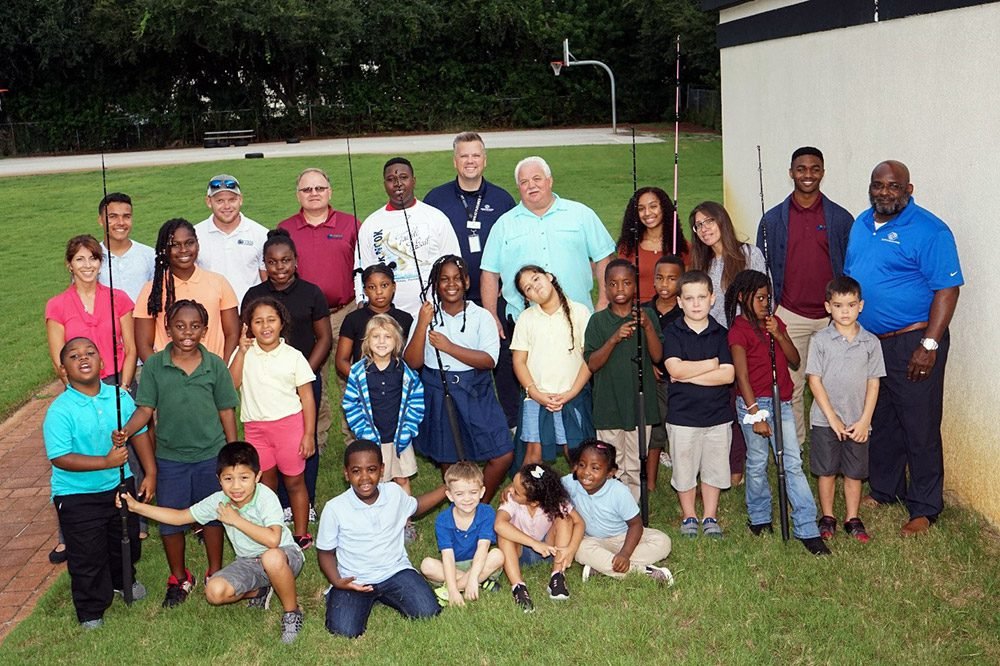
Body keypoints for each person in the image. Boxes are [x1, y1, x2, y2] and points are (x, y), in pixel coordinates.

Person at [844, 160, 963, 537]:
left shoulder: (930, 230)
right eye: (877, 185)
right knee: (882, 421)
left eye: (893, 186)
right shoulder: (861, 223)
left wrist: (929, 344)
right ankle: (886, 489)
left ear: (908, 190)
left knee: (919, 424)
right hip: (871, 343)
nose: (884, 192)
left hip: (914, 341)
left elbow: (947, 289)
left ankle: (925, 507)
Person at [113, 299, 240, 607]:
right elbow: (146, 409)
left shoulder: (215, 365)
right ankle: (179, 576)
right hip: (170, 458)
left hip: (211, 453)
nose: (187, 332)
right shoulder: (155, 365)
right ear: (167, 329)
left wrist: (233, 453)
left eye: (195, 326)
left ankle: (215, 570)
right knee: (170, 521)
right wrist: (127, 431)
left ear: (205, 330)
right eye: (180, 326)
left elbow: (226, 410)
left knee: (212, 516)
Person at [119, 442, 306, 643]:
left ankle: (292, 612)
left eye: (244, 478)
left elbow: (273, 540)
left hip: (284, 555)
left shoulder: (265, 496)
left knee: (271, 556)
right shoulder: (219, 501)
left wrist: (236, 520)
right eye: (228, 479)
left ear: (257, 477)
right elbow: (180, 517)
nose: (236, 486)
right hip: (248, 561)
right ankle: (261, 591)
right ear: (219, 480)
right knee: (214, 592)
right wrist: (137, 507)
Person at [42, 337, 155, 629]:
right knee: (87, 554)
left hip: (120, 484)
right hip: (77, 494)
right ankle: (91, 609)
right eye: (74, 356)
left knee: (125, 540)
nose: (83, 358)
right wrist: (104, 462)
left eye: (90, 352)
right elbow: (60, 457)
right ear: (63, 369)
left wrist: (151, 471)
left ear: (102, 362)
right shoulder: (60, 410)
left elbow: (139, 431)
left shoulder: (119, 397)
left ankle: (122, 580)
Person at [725, 270, 829, 555]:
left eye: (768, 298)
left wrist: (779, 334)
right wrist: (756, 415)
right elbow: (742, 378)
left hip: (781, 401)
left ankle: (806, 527)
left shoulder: (775, 323)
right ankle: (759, 518)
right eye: (759, 298)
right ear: (744, 298)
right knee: (757, 461)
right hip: (753, 404)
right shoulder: (738, 330)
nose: (765, 304)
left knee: (792, 462)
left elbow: (795, 360)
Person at [757, 147, 854, 443]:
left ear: (823, 172)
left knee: (835, 385)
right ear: (791, 173)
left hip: (832, 318)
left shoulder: (839, 218)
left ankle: (836, 442)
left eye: (814, 168)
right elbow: (764, 267)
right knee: (793, 387)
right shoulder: (773, 220)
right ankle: (795, 446)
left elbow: (849, 266)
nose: (808, 174)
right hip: (790, 314)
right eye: (801, 169)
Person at [424, 132, 520, 428]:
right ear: (455, 160)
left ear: (485, 160)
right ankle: (459, 422)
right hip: (452, 297)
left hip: (495, 296)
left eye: (475, 155)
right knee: (455, 360)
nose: (470, 161)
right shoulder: (436, 199)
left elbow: (513, 247)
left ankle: (509, 422)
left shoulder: (502, 199)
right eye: (464, 156)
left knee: (502, 360)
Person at [403, 255, 514, 503]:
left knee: (502, 454)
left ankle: (480, 502)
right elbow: (412, 362)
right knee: (450, 457)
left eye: (457, 278)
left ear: (466, 281)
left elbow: (489, 360)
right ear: (435, 284)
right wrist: (422, 323)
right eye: (444, 279)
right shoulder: (426, 315)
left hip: (475, 389)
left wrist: (450, 347)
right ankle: (462, 504)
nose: (451, 284)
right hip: (438, 388)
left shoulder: (481, 316)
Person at [242, 229, 331, 522]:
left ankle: (307, 500)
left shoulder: (311, 293)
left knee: (306, 441)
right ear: (264, 264)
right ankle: (279, 506)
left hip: (303, 375)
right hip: (266, 384)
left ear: (295, 261)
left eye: (285, 261)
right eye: (272, 262)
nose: (279, 268)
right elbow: (246, 340)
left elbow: (324, 338)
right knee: (271, 450)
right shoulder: (255, 296)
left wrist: (303, 373)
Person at [316, 440, 447, 639]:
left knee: (427, 612)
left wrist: (447, 489)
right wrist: (338, 581)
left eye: (371, 469)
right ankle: (344, 597)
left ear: (382, 470)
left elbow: (416, 506)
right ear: (346, 474)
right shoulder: (335, 508)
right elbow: (325, 552)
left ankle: (387, 594)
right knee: (343, 631)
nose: (364, 477)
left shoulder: (394, 493)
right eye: (356, 471)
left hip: (395, 571)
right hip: (355, 579)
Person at [480, 155, 616, 331]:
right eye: (524, 182)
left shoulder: (581, 214)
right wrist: (491, 316)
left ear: (549, 181)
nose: (531, 186)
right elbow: (489, 273)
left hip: (578, 319)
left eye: (537, 178)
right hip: (525, 324)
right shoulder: (503, 225)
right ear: (518, 187)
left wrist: (604, 303)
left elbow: (604, 258)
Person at [277, 167, 360, 452]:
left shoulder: (351, 224)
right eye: (307, 189)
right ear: (298, 195)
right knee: (312, 380)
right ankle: (317, 438)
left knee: (349, 377)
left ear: (330, 191)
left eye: (319, 188)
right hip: (304, 318)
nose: (314, 194)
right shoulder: (285, 229)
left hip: (345, 312)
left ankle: (355, 439)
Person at [229, 297, 316, 549]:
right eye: (258, 321)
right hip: (256, 430)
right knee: (266, 485)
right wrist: (242, 351)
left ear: (281, 323)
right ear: (249, 326)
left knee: (294, 481)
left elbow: (307, 397)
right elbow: (231, 384)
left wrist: (308, 433)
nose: (265, 326)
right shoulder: (243, 354)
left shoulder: (293, 356)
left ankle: (301, 533)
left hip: (289, 427)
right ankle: (272, 532)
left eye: (271, 320)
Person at [689, 201, 763, 485]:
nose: (704, 229)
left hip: (744, 339)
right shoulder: (701, 264)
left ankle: (739, 465)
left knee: (744, 400)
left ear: (722, 221)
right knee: (722, 404)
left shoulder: (748, 254)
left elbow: (763, 296)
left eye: (709, 221)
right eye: (698, 225)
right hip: (713, 341)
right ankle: (718, 462)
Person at [806, 276, 885, 543]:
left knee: (854, 472)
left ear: (860, 306)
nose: (845, 311)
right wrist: (832, 418)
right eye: (838, 305)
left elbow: (873, 384)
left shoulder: (871, 343)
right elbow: (814, 380)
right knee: (826, 470)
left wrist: (864, 421)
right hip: (825, 420)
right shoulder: (820, 340)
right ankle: (827, 516)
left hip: (857, 421)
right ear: (828, 307)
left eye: (851, 305)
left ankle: (853, 517)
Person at [661, 271, 734, 538]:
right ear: (679, 301)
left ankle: (710, 516)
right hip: (682, 417)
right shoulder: (673, 332)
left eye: (701, 297)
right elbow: (675, 371)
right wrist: (710, 365)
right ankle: (689, 515)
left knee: (714, 467)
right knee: (684, 467)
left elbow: (728, 375)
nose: (695, 304)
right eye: (689, 298)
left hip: (717, 416)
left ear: (712, 299)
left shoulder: (721, 333)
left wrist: (689, 374)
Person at [583, 260, 662, 502]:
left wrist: (647, 327)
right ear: (605, 287)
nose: (620, 289)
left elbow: (658, 356)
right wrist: (614, 339)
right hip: (609, 405)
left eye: (626, 283)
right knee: (611, 463)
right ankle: (611, 507)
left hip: (641, 404)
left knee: (636, 462)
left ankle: (633, 509)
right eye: (613, 284)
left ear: (635, 286)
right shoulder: (597, 322)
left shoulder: (646, 315)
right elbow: (592, 363)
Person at [355, 157, 461, 320]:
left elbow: (454, 263)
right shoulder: (371, 224)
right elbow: (362, 269)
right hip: (386, 317)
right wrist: (362, 301)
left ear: (413, 181)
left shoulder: (436, 218)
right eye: (391, 179)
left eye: (403, 177)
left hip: (433, 312)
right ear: (384, 184)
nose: (397, 183)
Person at [511, 265, 593, 466]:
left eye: (536, 279)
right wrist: (535, 392)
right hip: (537, 397)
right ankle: (525, 496)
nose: (535, 287)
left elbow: (588, 360)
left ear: (549, 276)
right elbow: (519, 361)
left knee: (576, 453)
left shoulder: (580, 312)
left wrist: (571, 392)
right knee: (533, 454)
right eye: (528, 288)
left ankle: (584, 496)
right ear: (527, 298)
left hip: (572, 395)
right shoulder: (526, 319)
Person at [562, 440, 672, 583]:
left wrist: (625, 554)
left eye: (595, 468)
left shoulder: (619, 492)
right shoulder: (571, 483)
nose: (586, 472)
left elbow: (635, 525)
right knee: (580, 549)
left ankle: (601, 566)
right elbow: (548, 486)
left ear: (610, 473)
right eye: (582, 465)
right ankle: (644, 574)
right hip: (593, 540)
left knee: (663, 542)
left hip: (624, 537)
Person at [134, 218, 240, 362]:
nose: (183, 250)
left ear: (197, 244)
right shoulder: (151, 290)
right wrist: (161, 375)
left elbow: (232, 333)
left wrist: (223, 369)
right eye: (175, 245)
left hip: (213, 373)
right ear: (164, 249)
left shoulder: (218, 282)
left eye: (189, 243)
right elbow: (143, 344)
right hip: (169, 376)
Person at [342, 314, 424, 498]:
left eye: (387, 337)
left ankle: (405, 522)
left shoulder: (405, 372)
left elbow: (416, 401)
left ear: (397, 342)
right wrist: (363, 431)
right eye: (376, 336)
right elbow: (350, 404)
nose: (381, 342)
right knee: (375, 482)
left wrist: (409, 428)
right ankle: (378, 520)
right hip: (371, 439)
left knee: (401, 479)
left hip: (399, 438)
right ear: (367, 341)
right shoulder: (358, 372)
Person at [46, 235, 137, 391]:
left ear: (100, 263)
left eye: (93, 258)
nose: (87, 265)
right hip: (80, 385)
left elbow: (131, 349)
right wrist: (76, 392)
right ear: (69, 265)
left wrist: (124, 387)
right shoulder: (56, 306)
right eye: (80, 259)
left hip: (119, 381)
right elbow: (58, 360)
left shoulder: (119, 298)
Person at [494, 462, 584, 612]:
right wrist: (534, 543)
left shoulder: (555, 500)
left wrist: (571, 549)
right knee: (504, 533)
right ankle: (519, 587)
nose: (510, 490)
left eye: (516, 491)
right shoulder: (511, 499)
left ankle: (557, 576)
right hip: (519, 553)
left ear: (535, 502)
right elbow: (498, 525)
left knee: (564, 519)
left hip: (551, 551)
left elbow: (579, 522)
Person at [419, 462, 505, 607]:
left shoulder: (487, 512)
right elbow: (447, 556)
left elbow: (483, 548)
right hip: (453, 565)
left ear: (482, 492)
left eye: (473, 492)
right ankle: (481, 582)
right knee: (426, 565)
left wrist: (470, 578)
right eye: (459, 494)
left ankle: (455, 587)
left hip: (480, 562)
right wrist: (455, 590)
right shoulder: (443, 520)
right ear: (450, 495)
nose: (467, 499)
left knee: (498, 555)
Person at [194, 174, 268, 304]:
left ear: (240, 200)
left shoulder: (261, 234)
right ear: (208, 202)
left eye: (232, 200)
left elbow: (266, 280)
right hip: (209, 313)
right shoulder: (194, 235)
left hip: (250, 313)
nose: (226, 206)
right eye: (220, 201)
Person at [336, 262, 414, 381]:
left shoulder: (405, 319)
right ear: (365, 291)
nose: (379, 292)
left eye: (384, 285)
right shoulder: (353, 319)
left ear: (394, 286)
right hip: (363, 387)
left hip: (397, 387)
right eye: (372, 287)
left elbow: (412, 359)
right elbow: (341, 361)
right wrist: (362, 380)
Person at [646, 254, 685, 486]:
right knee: (655, 431)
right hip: (654, 382)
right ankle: (650, 482)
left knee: (681, 432)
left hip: (680, 381)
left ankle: (683, 480)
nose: (664, 284)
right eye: (659, 278)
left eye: (671, 279)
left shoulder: (685, 312)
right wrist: (648, 364)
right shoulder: (644, 310)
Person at [616, 186, 690, 302]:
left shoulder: (682, 246)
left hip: (672, 313)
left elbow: (689, 287)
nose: (647, 213)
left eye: (653, 206)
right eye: (641, 209)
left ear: (664, 208)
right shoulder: (628, 248)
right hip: (638, 312)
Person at [96, 192, 155, 302]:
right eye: (113, 217)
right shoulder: (91, 257)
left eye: (126, 217)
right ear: (100, 220)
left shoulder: (150, 255)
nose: (121, 222)